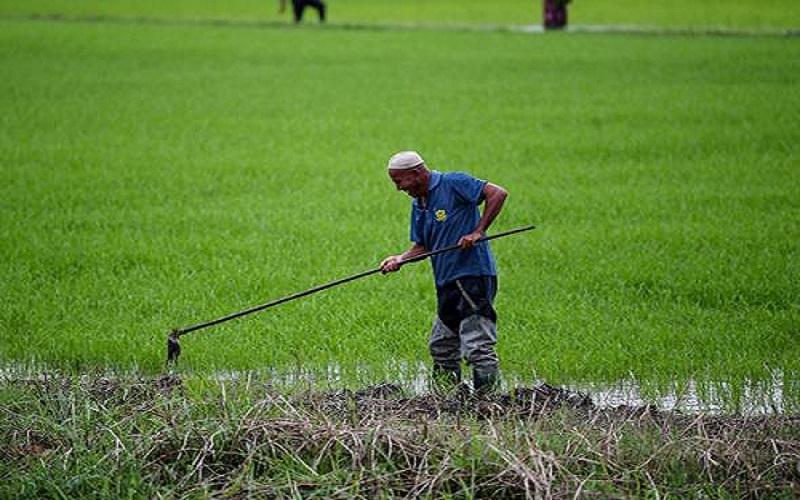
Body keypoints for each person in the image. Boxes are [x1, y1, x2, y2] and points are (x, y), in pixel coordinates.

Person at [380, 151, 508, 394]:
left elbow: (497, 193)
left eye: (399, 181)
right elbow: (423, 246)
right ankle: (447, 400)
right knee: (441, 346)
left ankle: (489, 402)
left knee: (477, 345)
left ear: (416, 173)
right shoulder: (419, 203)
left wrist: (478, 231)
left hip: (472, 276)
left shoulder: (453, 182)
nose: (398, 188)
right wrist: (400, 259)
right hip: (446, 280)